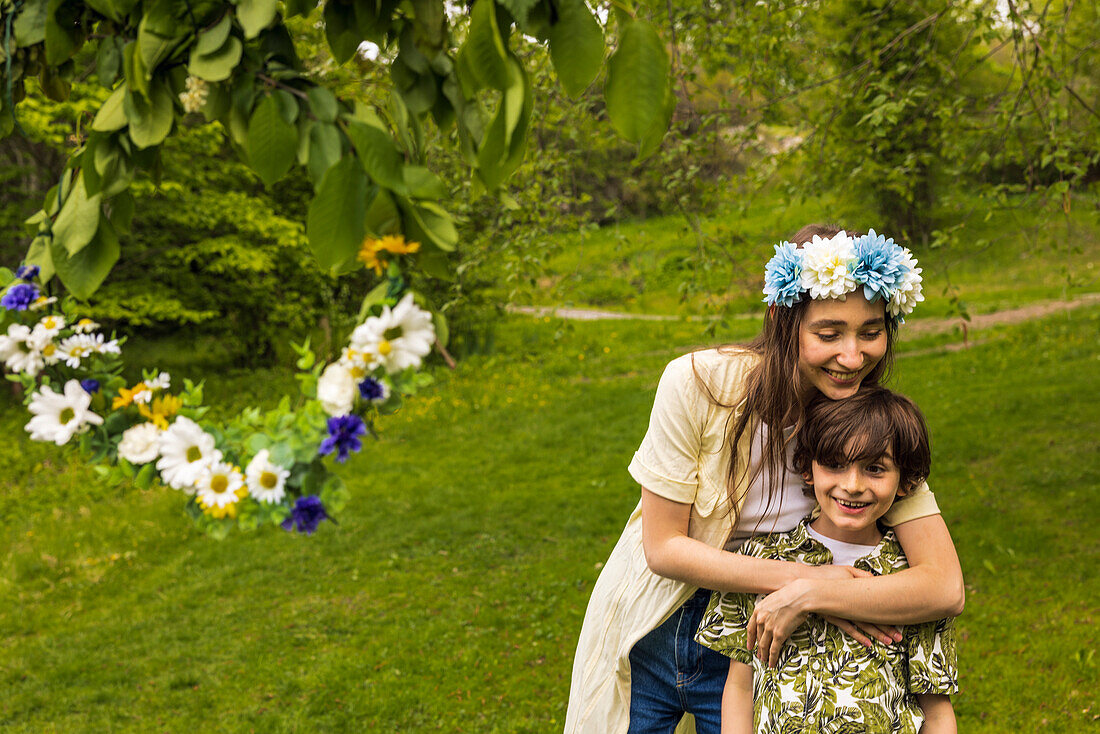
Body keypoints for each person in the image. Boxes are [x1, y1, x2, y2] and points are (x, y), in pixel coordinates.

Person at [563, 225, 964, 734]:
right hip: (657, 626)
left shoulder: (863, 431)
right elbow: (663, 547)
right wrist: (810, 581)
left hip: (767, 647)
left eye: (871, 331)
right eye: (828, 333)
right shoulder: (698, 383)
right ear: (782, 319)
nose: (852, 356)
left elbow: (944, 585)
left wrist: (811, 597)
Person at [695, 385, 958, 734]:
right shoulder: (760, 559)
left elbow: (936, 710)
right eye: (834, 464)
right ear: (808, 469)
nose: (852, 484)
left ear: (906, 482)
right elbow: (740, 688)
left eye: (875, 469)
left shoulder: (911, 581)